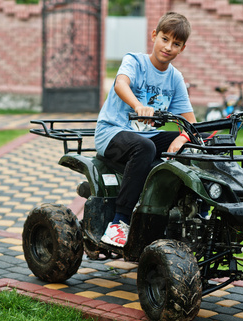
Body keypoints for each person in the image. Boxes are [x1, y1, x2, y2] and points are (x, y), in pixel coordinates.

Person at [94, 11, 197, 247]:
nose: (168, 47)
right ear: (154, 36)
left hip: (145, 137)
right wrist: (139, 106)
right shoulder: (135, 61)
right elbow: (121, 83)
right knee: (145, 147)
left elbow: (191, 123)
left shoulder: (175, 78)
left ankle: (194, 214)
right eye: (165, 39)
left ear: (182, 48)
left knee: (194, 144)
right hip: (112, 132)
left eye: (176, 43)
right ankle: (118, 223)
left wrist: (183, 137)